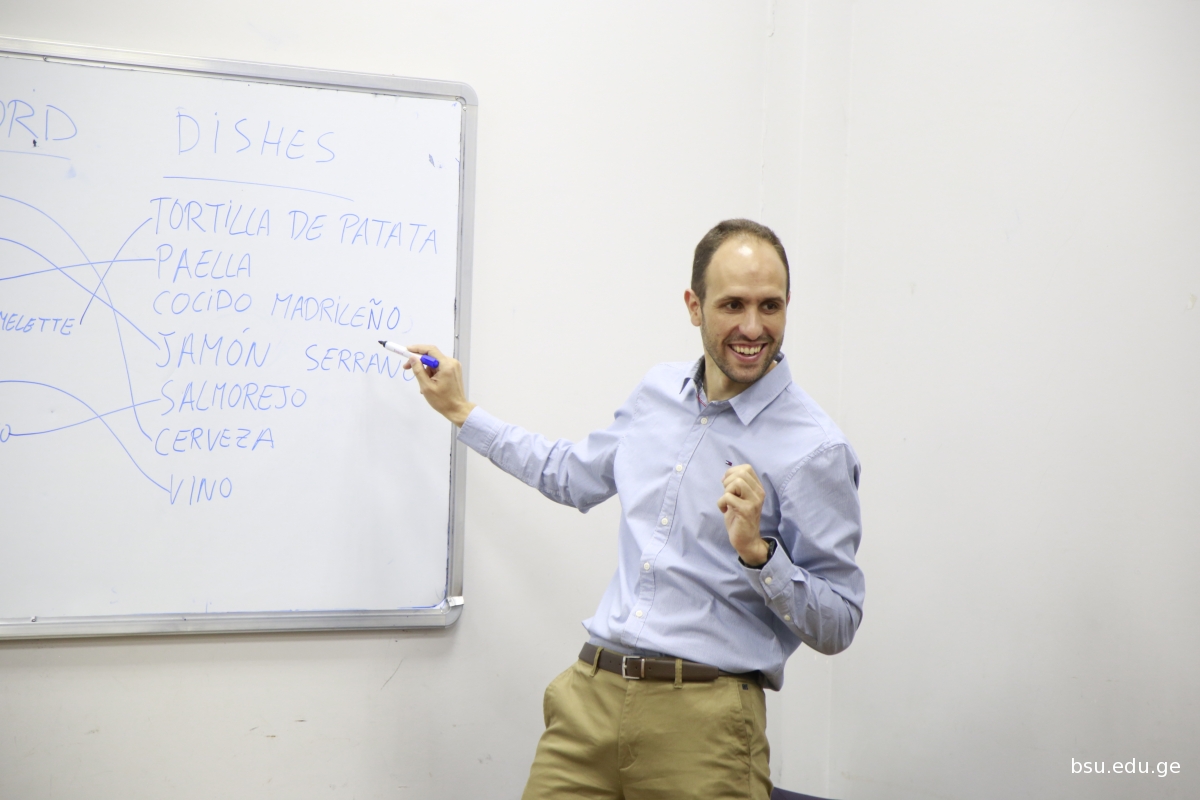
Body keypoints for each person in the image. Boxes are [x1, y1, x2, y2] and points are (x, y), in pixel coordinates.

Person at [405, 219, 864, 800]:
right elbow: (569, 475)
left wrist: (759, 553)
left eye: (769, 306)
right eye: (733, 305)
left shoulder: (815, 448)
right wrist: (461, 411)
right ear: (694, 307)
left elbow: (840, 620)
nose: (753, 327)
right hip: (590, 701)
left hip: (704, 723)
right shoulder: (657, 393)